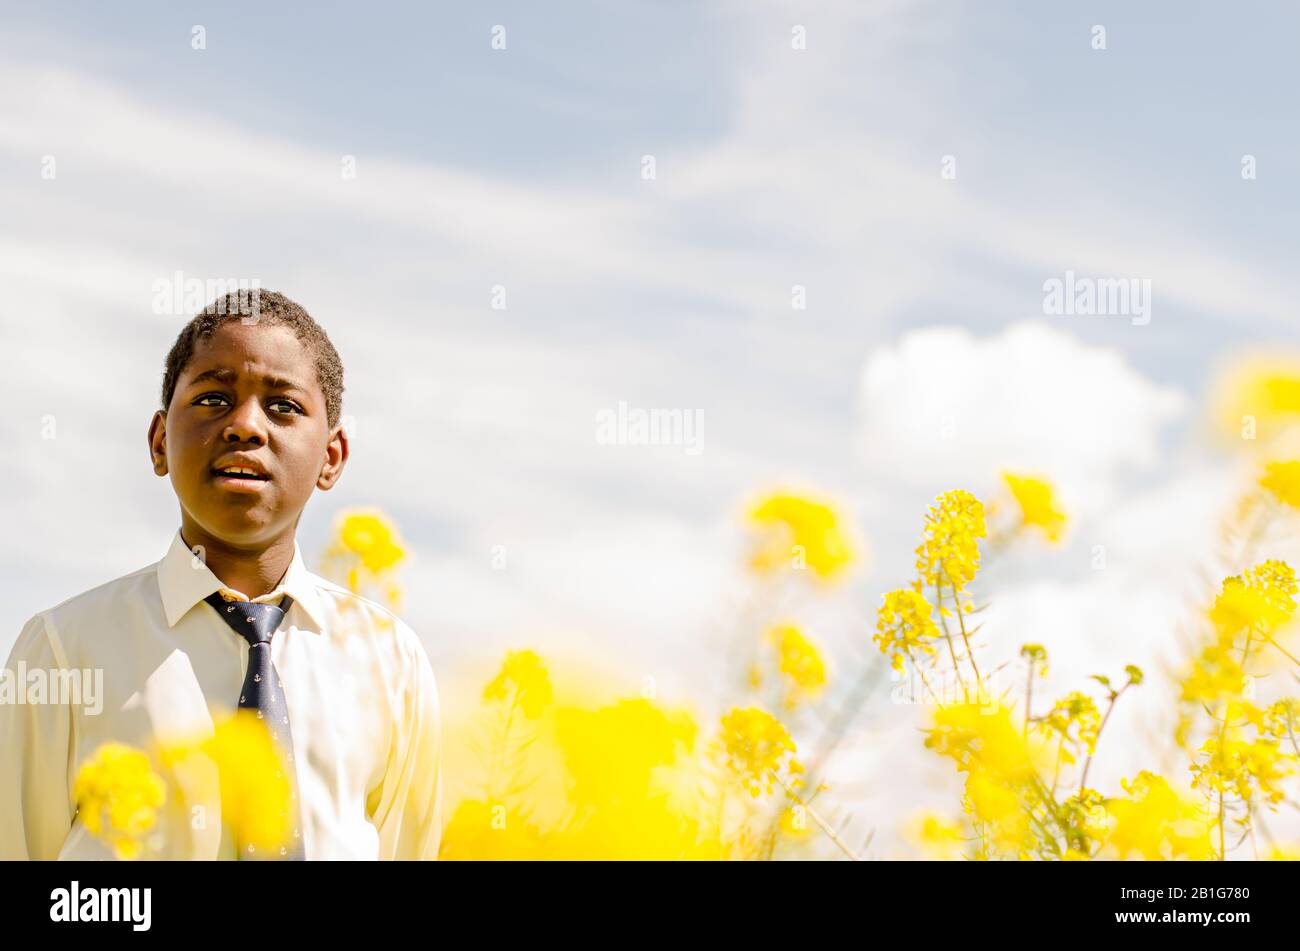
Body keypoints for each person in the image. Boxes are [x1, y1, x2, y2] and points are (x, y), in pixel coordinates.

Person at [0, 290, 442, 860]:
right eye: (212, 398)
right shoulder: (62, 650)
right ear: (160, 442)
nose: (245, 427)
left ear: (331, 457)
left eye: (283, 406)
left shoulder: (391, 660)